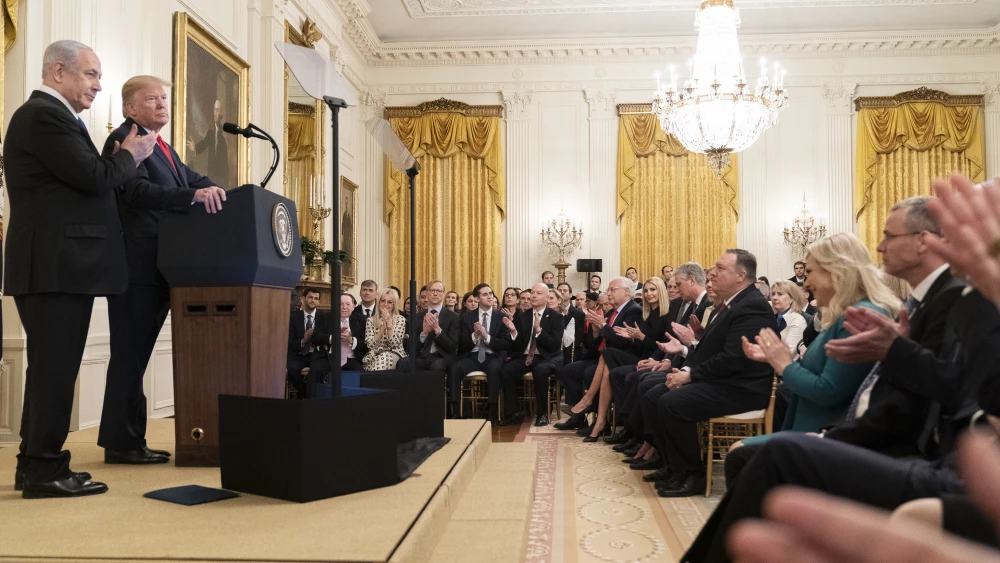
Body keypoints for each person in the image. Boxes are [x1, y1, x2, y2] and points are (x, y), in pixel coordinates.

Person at [5, 40, 157, 498]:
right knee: (55, 370)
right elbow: (95, 177)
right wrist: (131, 154)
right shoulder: (42, 116)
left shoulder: (57, 119)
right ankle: (45, 469)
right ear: (58, 72)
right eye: (90, 74)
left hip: (61, 265)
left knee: (50, 369)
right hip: (55, 264)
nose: (98, 84)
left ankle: (35, 464)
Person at [97, 75, 227, 466]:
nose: (161, 105)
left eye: (163, 99)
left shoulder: (163, 147)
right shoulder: (124, 139)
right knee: (130, 357)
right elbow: (137, 193)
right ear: (130, 108)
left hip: (162, 265)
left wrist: (230, 195)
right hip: (136, 266)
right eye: (151, 99)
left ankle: (129, 438)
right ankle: (122, 443)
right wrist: (192, 197)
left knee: (137, 356)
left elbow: (191, 178)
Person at [726, 233, 898, 487]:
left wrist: (784, 365)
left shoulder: (861, 317)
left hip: (827, 436)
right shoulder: (848, 315)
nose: (805, 283)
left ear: (836, 271)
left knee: (740, 455)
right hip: (808, 429)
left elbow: (828, 390)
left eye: (810, 272)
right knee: (740, 454)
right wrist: (777, 361)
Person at [643, 249, 778, 497]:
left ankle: (692, 474)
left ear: (741, 275)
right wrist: (690, 356)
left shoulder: (752, 306)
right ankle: (673, 465)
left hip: (742, 388)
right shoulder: (730, 304)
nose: (713, 273)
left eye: (720, 268)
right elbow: (717, 347)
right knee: (655, 395)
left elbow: (733, 358)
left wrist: (689, 376)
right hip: (725, 381)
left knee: (672, 402)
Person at [498, 283, 565, 426]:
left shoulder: (556, 317)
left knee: (540, 370)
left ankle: (542, 413)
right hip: (526, 356)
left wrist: (539, 330)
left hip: (547, 356)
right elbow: (515, 346)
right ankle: (514, 412)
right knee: (506, 371)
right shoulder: (523, 317)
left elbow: (554, 345)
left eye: (538, 293)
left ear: (547, 297)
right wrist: (513, 332)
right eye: (533, 292)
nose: (533, 296)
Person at [448, 284, 512, 422]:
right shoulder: (467, 317)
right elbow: (462, 344)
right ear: (477, 298)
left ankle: (492, 412)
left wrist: (486, 337)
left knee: (495, 369)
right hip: (473, 355)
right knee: (455, 368)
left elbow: (505, 343)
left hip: (493, 355)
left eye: (491, 293)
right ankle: (456, 411)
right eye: (485, 294)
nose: (490, 296)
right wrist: (475, 335)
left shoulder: (500, 316)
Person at [397, 280, 460, 380]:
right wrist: (424, 333)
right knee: (403, 363)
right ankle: (407, 395)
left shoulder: (454, 317)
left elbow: (452, 347)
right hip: (421, 357)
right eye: (432, 290)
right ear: (426, 293)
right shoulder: (417, 317)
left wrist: (437, 330)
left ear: (443, 294)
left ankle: (434, 396)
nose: (435, 293)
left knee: (437, 366)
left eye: (439, 291)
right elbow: (411, 347)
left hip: (441, 357)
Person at [310, 293, 365, 383]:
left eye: (348, 304)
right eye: (340, 304)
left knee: (359, 375)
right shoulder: (325, 317)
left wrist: (351, 340)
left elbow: (366, 342)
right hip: (329, 357)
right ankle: (314, 397)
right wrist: (333, 337)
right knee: (316, 370)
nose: (344, 307)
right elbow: (315, 338)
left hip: (352, 358)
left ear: (353, 306)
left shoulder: (361, 319)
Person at [186, 99, 230, 188]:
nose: (215, 113)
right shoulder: (211, 132)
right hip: (211, 172)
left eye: (217, 110)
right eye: (214, 109)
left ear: (221, 113)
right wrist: (195, 148)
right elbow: (204, 143)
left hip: (221, 174)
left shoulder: (223, 134)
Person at [287, 289, 323, 397]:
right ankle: (308, 396)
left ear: (319, 302)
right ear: (303, 298)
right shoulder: (293, 317)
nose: (313, 301)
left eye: (316, 298)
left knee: (319, 370)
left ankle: (315, 396)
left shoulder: (324, 317)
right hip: (299, 354)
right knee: (292, 370)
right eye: (310, 297)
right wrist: (303, 340)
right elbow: (288, 341)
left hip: (317, 354)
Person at [363, 289, 407, 371]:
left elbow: (395, 344)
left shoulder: (400, 319)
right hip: (374, 355)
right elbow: (370, 345)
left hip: (394, 354)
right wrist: (383, 328)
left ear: (394, 305)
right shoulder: (370, 320)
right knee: (380, 359)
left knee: (385, 357)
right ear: (378, 302)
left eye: (390, 302)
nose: (385, 304)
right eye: (383, 301)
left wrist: (389, 327)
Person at [768, 280, 808, 358]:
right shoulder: (772, 318)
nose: (775, 298)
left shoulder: (797, 320)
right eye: (773, 294)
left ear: (792, 298)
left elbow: (787, 353)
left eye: (780, 294)